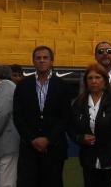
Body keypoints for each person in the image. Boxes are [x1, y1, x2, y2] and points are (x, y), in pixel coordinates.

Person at [12, 46, 72, 187]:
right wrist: (32, 139)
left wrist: (48, 139)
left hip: (54, 148)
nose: (42, 61)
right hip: (29, 148)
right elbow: (18, 116)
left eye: (45, 58)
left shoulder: (62, 85)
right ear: (33, 61)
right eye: (38, 58)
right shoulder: (23, 85)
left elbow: (65, 117)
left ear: (52, 61)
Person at [68, 62, 111, 187]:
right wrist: (80, 138)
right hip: (89, 159)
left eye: (97, 77)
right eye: (90, 78)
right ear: (86, 81)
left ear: (104, 80)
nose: (94, 81)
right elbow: (71, 126)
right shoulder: (79, 102)